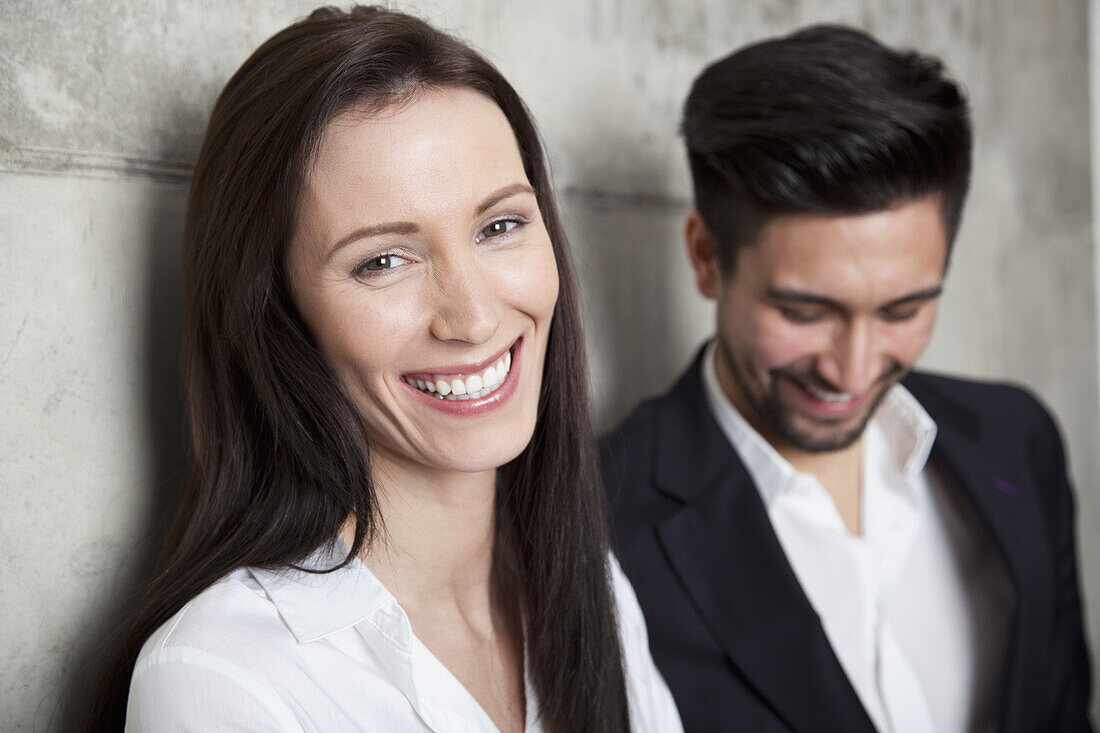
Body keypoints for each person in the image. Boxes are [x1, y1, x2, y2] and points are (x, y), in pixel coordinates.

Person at [86, 7, 682, 732]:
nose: (472, 317)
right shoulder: (224, 676)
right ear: (277, 314)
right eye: (383, 260)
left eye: (500, 226)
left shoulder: (596, 596)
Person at [601, 25, 1093, 733]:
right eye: (805, 311)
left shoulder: (1019, 442)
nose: (854, 368)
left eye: (905, 308)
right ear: (707, 257)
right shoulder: (595, 521)